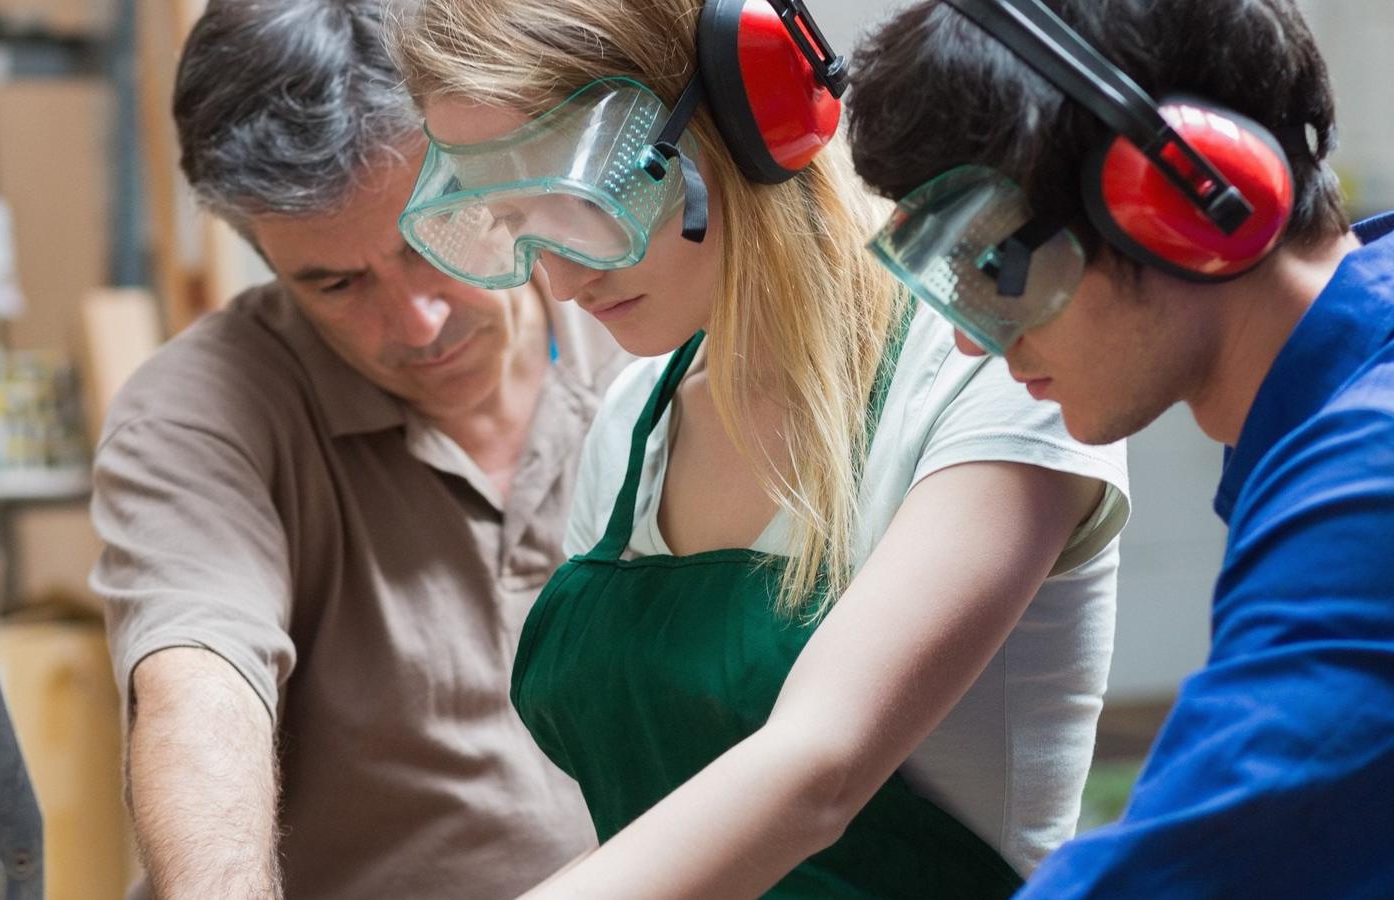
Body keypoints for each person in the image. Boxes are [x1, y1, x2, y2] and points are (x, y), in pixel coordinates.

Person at [389, 0, 1131, 895]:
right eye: (514, 223)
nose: (560, 277)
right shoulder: (633, 426)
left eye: (579, 200)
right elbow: (667, 838)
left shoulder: (993, 370)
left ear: (746, 114)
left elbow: (816, 773)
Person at [844, 0, 1394, 896]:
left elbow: (1181, 873)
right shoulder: (1326, 428)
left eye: (998, 270)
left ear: (1183, 196)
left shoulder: (1370, 477)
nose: (973, 343)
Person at [89, 0, 624, 896]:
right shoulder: (199, 410)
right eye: (335, 283)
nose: (414, 323)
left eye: (432, 239)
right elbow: (197, 687)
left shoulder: (647, 335)